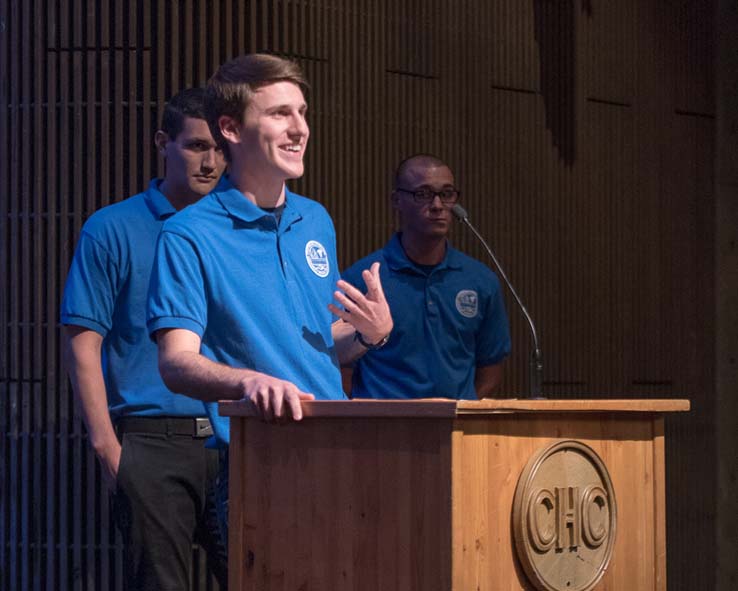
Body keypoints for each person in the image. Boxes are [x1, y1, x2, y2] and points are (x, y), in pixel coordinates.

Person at [146, 53, 392, 541]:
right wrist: (249, 382)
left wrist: (369, 335)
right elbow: (175, 363)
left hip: (340, 451)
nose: (300, 128)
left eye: (302, 112)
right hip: (262, 463)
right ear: (231, 129)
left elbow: (319, 345)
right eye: (280, 113)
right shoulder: (188, 235)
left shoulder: (316, 219)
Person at [60, 88, 228, 590]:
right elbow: (82, 339)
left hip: (234, 435)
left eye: (220, 149)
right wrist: (108, 447)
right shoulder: (113, 227)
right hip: (153, 440)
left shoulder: (233, 227)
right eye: (197, 146)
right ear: (163, 143)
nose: (211, 162)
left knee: (261, 572)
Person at [341, 154, 511, 400]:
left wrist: (461, 413)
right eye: (423, 194)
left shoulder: (481, 281)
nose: (437, 205)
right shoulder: (364, 278)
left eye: (447, 193)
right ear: (396, 200)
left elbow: (491, 368)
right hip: (383, 431)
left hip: (456, 431)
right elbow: (343, 366)